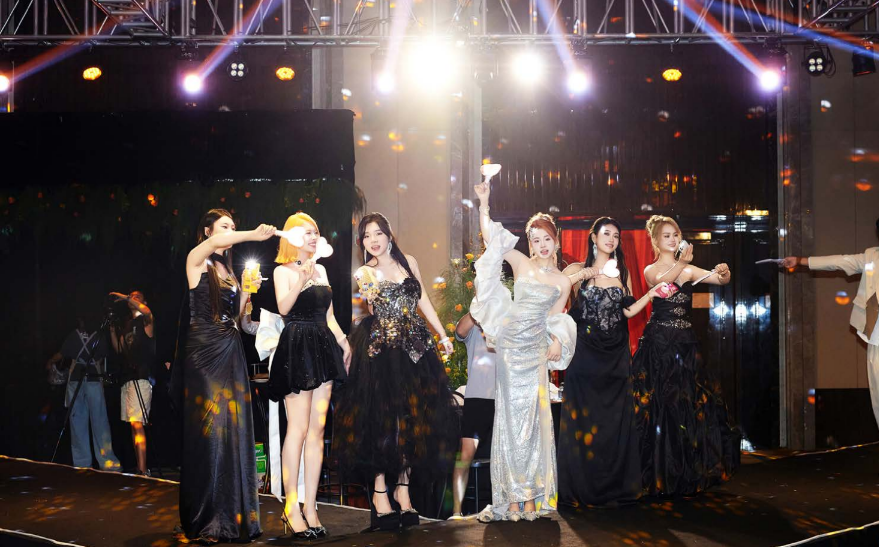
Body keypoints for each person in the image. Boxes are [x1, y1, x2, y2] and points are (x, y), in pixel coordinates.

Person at [333, 212, 459, 531]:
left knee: (412, 422)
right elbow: (371, 307)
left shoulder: (409, 262)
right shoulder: (365, 271)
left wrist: (442, 334)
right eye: (366, 236)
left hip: (414, 349)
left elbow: (423, 299)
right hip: (383, 351)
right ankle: (380, 493)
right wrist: (370, 293)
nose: (372, 240)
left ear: (389, 235)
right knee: (382, 423)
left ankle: (403, 490)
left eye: (378, 233)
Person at [470, 180, 577, 523]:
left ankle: (531, 495)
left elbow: (555, 317)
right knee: (510, 420)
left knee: (534, 422)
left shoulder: (563, 281)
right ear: (529, 243)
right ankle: (512, 498)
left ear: (556, 240)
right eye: (536, 239)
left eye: (547, 239)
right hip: (510, 347)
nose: (542, 245)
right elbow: (492, 236)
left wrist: (557, 340)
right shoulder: (520, 263)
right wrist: (484, 203)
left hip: (535, 351)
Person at [176, 208, 275, 543]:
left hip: (230, 349)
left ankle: (234, 516)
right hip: (204, 353)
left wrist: (247, 291)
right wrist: (252, 234)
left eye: (233, 226)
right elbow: (219, 243)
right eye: (224, 226)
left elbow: (239, 321)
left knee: (233, 429)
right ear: (207, 231)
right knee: (210, 430)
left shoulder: (227, 270)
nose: (230, 231)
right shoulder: (196, 260)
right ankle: (207, 519)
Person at [559, 217, 666, 507]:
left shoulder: (623, 272)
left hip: (615, 356)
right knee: (584, 420)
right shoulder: (576, 270)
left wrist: (651, 294)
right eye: (606, 234)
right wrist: (583, 275)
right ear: (593, 237)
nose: (611, 239)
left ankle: (614, 488)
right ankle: (582, 489)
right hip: (584, 355)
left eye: (616, 236)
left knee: (613, 422)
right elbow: (556, 295)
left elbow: (628, 311)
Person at [631, 215, 740, 497]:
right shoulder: (651, 269)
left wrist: (724, 271)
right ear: (655, 241)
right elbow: (663, 283)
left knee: (688, 405)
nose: (672, 239)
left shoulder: (689, 269)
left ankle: (685, 472)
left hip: (685, 345)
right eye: (666, 235)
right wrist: (682, 264)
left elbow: (721, 280)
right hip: (659, 345)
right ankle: (658, 474)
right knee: (660, 406)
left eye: (676, 234)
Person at [261, 212, 350, 539]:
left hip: (323, 346)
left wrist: (344, 342)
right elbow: (284, 308)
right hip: (297, 346)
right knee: (297, 429)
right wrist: (301, 276)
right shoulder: (282, 271)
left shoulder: (322, 270)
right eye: (307, 232)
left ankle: (311, 507)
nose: (313, 237)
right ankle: (291, 506)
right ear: (293, 237)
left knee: (317, 430)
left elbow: (329, 316)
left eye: (315, 232)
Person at [781, 217, 879, 429]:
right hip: (876, 338)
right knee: (877, 395)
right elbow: (839, 261)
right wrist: (800, 260)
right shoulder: (872, 256)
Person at [48, 316, 121, 471]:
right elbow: (102, 358)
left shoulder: (73, 335)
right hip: (94, 379)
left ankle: (82, 464)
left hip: (76, 381)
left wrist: (50, 362)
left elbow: (61, 354)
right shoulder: (99, 336)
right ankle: (108, 463)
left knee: (78, 424)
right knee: (100, 422)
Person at [449, 313, 496, 518]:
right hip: (478, 397)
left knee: (505, 456)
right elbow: (460, 330)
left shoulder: (506, 314)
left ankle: (506, 506)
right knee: (465, 454)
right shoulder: (475, 316)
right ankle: (456, 512)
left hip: (505, 397)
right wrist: (480, 306)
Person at [109, 291, 155, 476]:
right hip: (127, 380)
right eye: (130, 295)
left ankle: (143, 470)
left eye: (137, 296)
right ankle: (140, 467)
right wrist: (113, 331)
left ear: (144, 301)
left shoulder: (146, 320)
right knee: (132, 424)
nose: (132, 297)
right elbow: (119, 349)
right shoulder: (128, 324)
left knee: (137, 423)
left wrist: (124, 297)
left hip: (141, 378)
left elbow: (147, 312)